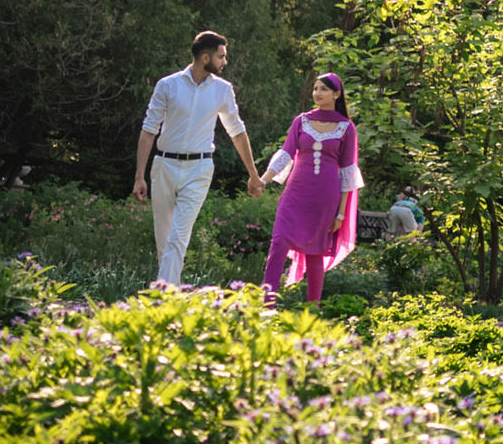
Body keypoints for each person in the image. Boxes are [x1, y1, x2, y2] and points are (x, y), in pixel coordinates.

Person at [134, 30, 263, 287]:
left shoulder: (223, 90)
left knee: (177, 238)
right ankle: (170, 296)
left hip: (200, 168)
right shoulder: (167, 85)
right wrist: (139, 175)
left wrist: (253, 173)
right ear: (205, 57)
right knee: (165, 241)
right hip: (164, 167)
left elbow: (236, 131)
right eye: (221, 56)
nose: (224, 62)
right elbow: (149, 129)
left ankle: (162, 301)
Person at [259, 72, 362, 306]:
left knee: (316, 252)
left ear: (337, 94)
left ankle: (312, 311)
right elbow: (285, 154)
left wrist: (341, 213)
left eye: (323, 89)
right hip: (295, 195)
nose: (317, 93)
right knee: (278, 244)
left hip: (325, 199)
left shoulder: (347, 128)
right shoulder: (301, 121)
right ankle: (267, 307)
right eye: (315, 89)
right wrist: (263, 180)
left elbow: (348, 172)